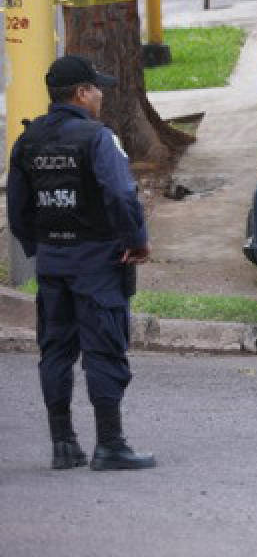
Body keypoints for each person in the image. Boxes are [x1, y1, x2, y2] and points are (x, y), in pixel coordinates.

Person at [6, 55, 155, 470]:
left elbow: (17, 209)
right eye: (96, 87)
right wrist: (136, 241)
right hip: (98, 261)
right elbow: (121, 195)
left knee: (55, 351)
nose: (101, 94)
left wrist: (42, 246)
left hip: (52, 262)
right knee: (104, 349)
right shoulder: (97, 138)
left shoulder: (28, 140)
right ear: (81, 93)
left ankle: (64, 444)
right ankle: (110, 445)